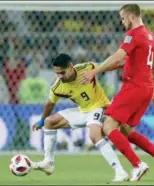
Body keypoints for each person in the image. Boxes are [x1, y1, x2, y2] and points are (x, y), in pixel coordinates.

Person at [79, 4, 154, 182]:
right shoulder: (151, 37)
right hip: (146, 88)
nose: (122, 22)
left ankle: (138, 165)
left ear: (131, 16)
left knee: (108, 127)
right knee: (126, 131)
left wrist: (95, 71)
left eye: (122, 18)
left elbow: (117, 56)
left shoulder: (133, 35)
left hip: (134, 87)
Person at [31, 53, 129, 182]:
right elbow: (50, 104)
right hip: (82, 111)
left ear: (71, 66)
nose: (60, 76)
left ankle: (120, 172)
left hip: (99, 106)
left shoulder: (86, 68)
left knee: (94, 135)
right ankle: (48, 162)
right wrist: (42, 120)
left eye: (62, 72)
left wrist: (124, 65)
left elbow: (104, 66)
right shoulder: (57, 86)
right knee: (50, 122)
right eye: (57, 73)